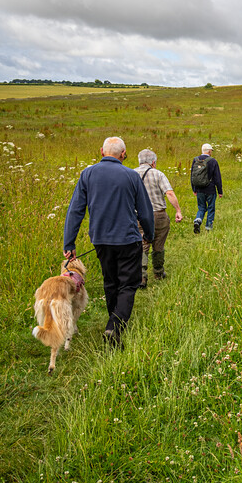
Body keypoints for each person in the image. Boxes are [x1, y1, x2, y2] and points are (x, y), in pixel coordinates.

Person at [63, 137, 154, 346]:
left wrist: (69, 243)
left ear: (102, 151)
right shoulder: (131, 176)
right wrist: (149, 234)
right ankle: (115, 325)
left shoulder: (87, 174)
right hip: (128, 240)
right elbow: (145, 211)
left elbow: (75, 210)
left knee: (111, 282)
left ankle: (113, 325)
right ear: (123, 154)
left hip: (101, 240)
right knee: (128, 285)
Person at [134, 149, 184, 288]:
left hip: (138, 216)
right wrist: (178, 210)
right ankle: (158, 272)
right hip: (158, 215)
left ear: (139, 160)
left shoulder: (131, 174)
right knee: (158, 245)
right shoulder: (158, 174)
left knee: (142, 245)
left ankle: (142, 277)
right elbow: (169, 193)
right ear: (153, 162)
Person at [191, 143, 222, 233]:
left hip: (199, 189)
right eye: (211, 151)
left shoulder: (195, 160)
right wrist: (220, 191)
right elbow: (217, 177)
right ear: (209, 151)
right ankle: (208, 227)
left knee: (201, 207)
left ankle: (198, 220)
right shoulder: (213, 161)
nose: (211, 152)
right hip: (210, 189)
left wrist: (194, 188)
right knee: (211, 208)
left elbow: (192, 175)